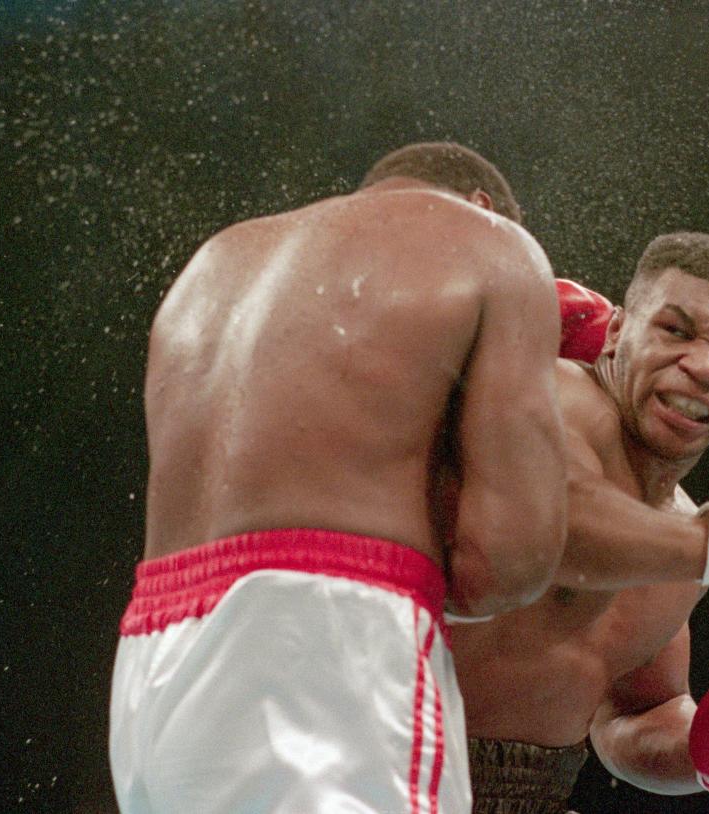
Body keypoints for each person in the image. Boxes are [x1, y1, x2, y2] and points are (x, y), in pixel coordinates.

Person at [108, 142, 569, 814]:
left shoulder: (216, 260)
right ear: (485, 206)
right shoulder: (494, 244)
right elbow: (508, 563)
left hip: (154, 659)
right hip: (326, 643)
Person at [452, 233, 709, 812]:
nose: (704, 367)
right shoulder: (546, 395)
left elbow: (633, 712)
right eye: (676, 330)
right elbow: (554, 528)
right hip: (362, 772)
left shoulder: (680, 540)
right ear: (619, 330)